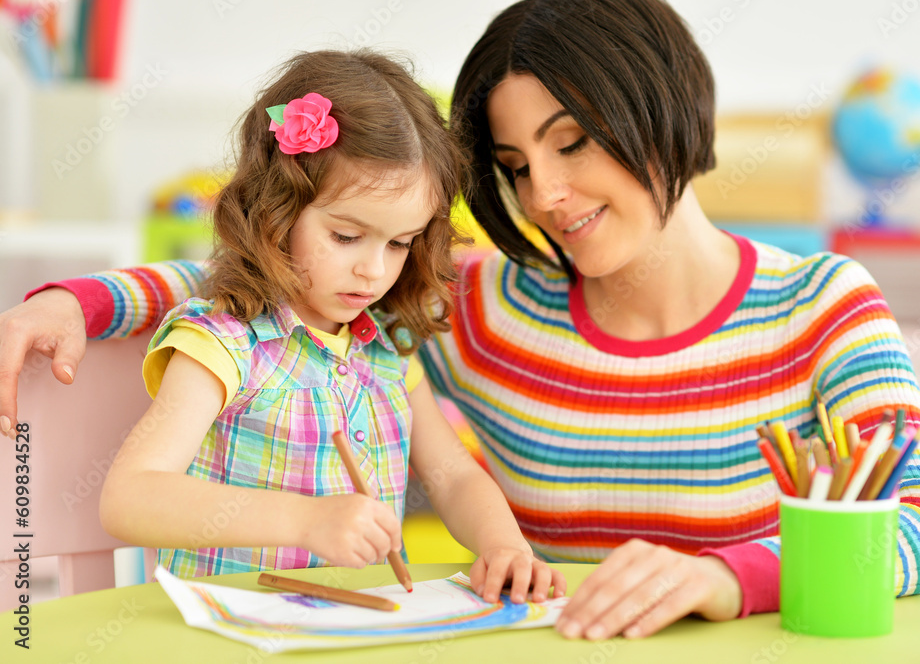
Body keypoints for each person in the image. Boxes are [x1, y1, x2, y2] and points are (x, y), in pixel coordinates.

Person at [0, 0, 920, 641]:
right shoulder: (478, 305)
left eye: (572, 142)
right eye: (512, 167)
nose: (542, 196)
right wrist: (81, 298)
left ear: (664, 109)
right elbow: (265, 288)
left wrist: (730, 579)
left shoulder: (823, 303)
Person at [77, 49, 565, 603]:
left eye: (400, 243)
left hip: (354, 626)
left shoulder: (386, 347)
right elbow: (129, 499)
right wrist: (305, 521)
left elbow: (453, 476)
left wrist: (505, 546)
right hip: (232, 627)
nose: (373, 269)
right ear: (276, 211)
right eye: (347, 237)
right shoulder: (225, 344)